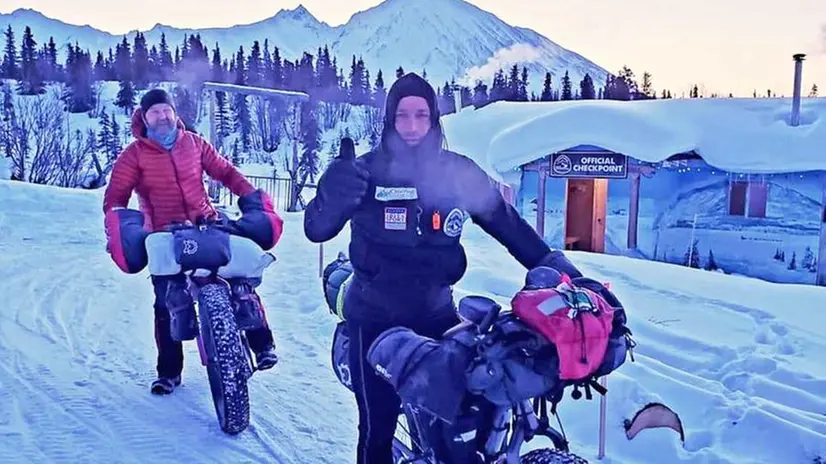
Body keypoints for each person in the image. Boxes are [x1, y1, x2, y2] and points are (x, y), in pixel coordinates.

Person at [304, 73, 584, 464]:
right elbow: (316, 228)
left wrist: (561, 270)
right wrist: (331, 196)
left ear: (435, 119)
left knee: (464, 418)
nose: (413, 126)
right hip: (373, 321)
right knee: (377, 430)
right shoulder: (365, 173)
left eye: (422, 115)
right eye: (403, 116)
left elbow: (508, 224)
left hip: (437, 316)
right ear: (390, 119)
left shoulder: (457, 173)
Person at [102, 88, 281, 395]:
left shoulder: (194, 143)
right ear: (144, 118)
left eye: (166, 110)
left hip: (205, 222)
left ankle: (263, 345)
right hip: (162, 232)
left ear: (175, 113)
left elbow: (225, 172)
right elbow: (115, 197)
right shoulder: (134, 155)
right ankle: (169, 372)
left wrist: (250, 197)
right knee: (166, 298)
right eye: (155, 112)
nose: (162, 116)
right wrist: (124, 226)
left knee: (239, 278)